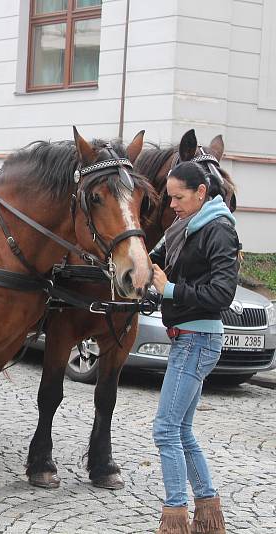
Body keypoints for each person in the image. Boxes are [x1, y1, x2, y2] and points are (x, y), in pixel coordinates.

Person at [150, 161, 239, 534]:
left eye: (178, 197)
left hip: (197, 339)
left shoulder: (217, 230)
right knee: (182, 429)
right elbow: (162, 263)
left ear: (201, 193)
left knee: (165, 429)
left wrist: (169, 289)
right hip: (189, 338)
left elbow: (222, 293)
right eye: (169, 197)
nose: (172, 204)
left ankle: (175, 518)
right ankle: (207, 514)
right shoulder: (185, 229)